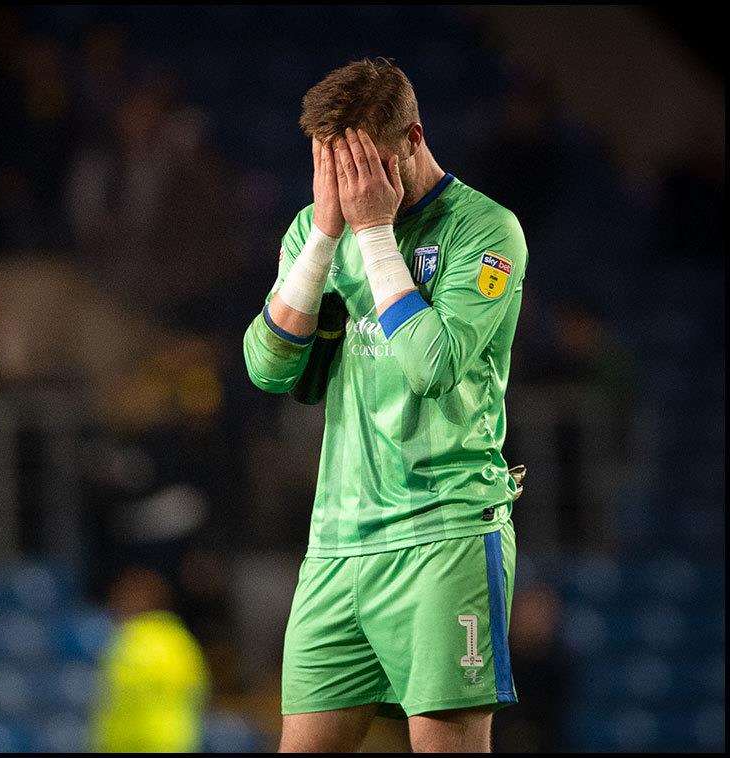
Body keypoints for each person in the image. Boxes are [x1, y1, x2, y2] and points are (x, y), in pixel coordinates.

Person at [243, 58, 528, 752]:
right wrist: (323, 240)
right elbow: (265, 368)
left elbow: (430, 366)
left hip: (444, 534)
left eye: (366, 164)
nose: (353, 187)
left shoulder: (485, 231)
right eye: (335, 168)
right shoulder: (317, 229)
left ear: (412, 138)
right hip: (337, 546)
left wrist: (372, 236)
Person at [90, 566, 210, 752]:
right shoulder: (178, 638)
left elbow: (107, 693)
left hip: (134, 743)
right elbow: (198, 689)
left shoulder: (124, 639)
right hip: (172, 741)